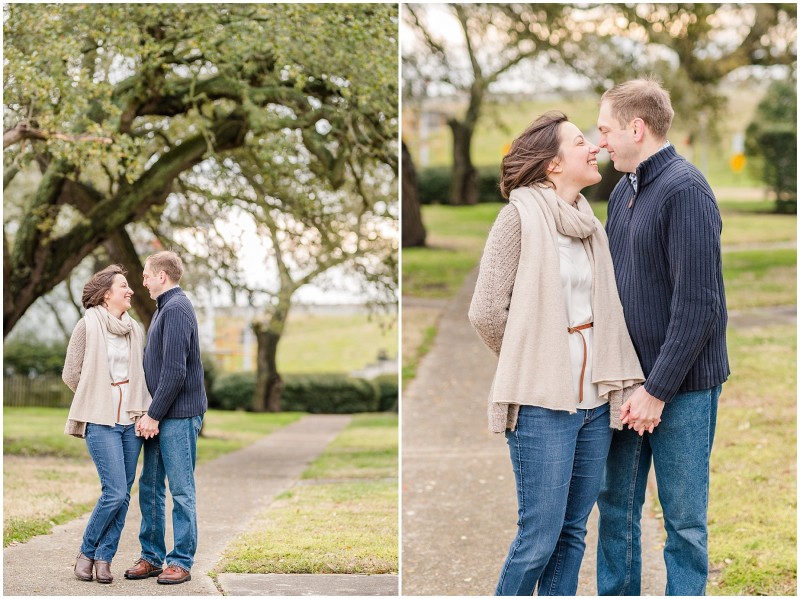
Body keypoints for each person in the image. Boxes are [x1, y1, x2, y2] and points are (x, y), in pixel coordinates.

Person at [468, 111, 645, 596]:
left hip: (593, 404)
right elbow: (485, 312)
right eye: (581, 142)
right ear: (551, 164)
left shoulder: (589, 222)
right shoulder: (517, 219)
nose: (595, 149)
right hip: (541, 403)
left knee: (572, 534)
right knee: (538, 538)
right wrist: (530, 356)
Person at [595, 78, 729, 596]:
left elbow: (699, 308)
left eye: (606, 129)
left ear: (636, 127)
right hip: (629, 386)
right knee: (616, 511)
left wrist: (657, 392)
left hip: (683, 390)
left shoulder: (686, 190)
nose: (600, 140)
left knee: (684, 522)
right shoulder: (624, 190)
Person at [63, 265, 152, 584]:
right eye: (124, 286)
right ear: (106, 294)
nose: (130, 291)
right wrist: (96, 396)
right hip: (100, 420)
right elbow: (71, 373)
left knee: (124, 493)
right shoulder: (86, 326)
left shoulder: (135, 329)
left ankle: (104, 559)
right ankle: (86, 552)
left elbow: (140, 374)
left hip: (130, 420)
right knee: (113, 491)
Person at [123, 251, 208, 585]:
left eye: (145, 275)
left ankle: (182, 561)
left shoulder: (176, 308)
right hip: (158, 415)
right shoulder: (164, 309)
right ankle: (152, 556)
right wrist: (150, 413)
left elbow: (175, 370)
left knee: (182, 490)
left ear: (162, 276)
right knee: (150, 487)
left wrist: (153, 414)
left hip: (178, 415)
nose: (142, 281)